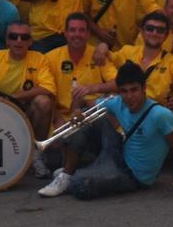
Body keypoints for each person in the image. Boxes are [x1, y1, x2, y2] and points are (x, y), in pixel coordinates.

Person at [39, 62, 173, 200]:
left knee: (83, 186)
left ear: (144, 89)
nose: (129, 96)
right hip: (118, 153)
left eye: (134, 90)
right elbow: (84, 102)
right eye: (124, 91)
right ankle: (67, 173)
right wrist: (76, 111)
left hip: (134, 176)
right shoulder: (117, 102)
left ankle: (74, 174)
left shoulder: (160, 115)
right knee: (86, 117)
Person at [104, 11, 173, 170]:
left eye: (160, 30)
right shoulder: (127, 52)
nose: (154, 33)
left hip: (153, 120)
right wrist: (102, 46)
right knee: (103, 103)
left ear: (166, 35)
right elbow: (105, 57)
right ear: (142, 31)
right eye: (150, 28)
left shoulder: (171, 61)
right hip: (126, 115)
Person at [0, 20, 56, 177]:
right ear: (7, 40)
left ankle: (36, 155)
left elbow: (48, 88)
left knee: (44, 102)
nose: (18, 41)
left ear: (30, 41)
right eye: (14, 36)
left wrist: (11, 98)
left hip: (24, 114)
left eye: (24, 37)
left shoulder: (39, 59)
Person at [41, 12, 117, 148]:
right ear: (65, 33)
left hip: (92, 115)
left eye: (82, 30)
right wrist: (57, 118)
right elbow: (47, 93)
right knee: (57, 146)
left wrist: (92, 88)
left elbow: (118, 82)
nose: (77, 34)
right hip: (63, 117)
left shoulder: (98, 54)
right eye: (72, 30)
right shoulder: (50, 58)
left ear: (88, 34)